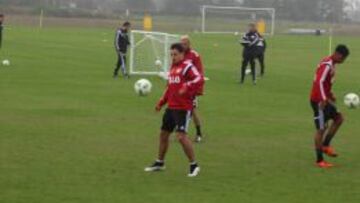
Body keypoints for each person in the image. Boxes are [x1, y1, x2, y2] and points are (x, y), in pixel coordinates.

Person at [144, 43, 203, 177]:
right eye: (171, 54)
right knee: (164, 134)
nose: (173, 57)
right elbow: (170, 88)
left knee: (181, 137)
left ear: (182, 54)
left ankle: (194, 165)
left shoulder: (188, 66)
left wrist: (187, 85)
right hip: (171, 107)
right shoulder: (173, 67)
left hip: (183, 108)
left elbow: (199, 78)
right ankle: (160, 162)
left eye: (175, 54)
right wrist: (161, 102)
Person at [310, 44, 350, 168]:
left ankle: (326, 145)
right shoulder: (327, 64)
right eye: (343, 58)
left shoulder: (332, 64)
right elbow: (319, 82)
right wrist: (323, 98)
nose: (343, 61)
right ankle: (319, 160)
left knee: (339, 118)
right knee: (321, 129)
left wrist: (330, 94)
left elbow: (325, 82)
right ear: (338, 55)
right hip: (319, 101)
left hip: (325, 99)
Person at [180, 35, 205, 143]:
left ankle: (199, 133)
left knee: (193, 110)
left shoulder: (194, 55)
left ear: (189, 44)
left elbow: (199, 73)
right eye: (182, 43)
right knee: (178, 109)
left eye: (185, 43)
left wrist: (197, 89)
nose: (183, 45)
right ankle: (181, 131)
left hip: (191, 88)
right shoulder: (179, 54)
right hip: (180, 87)